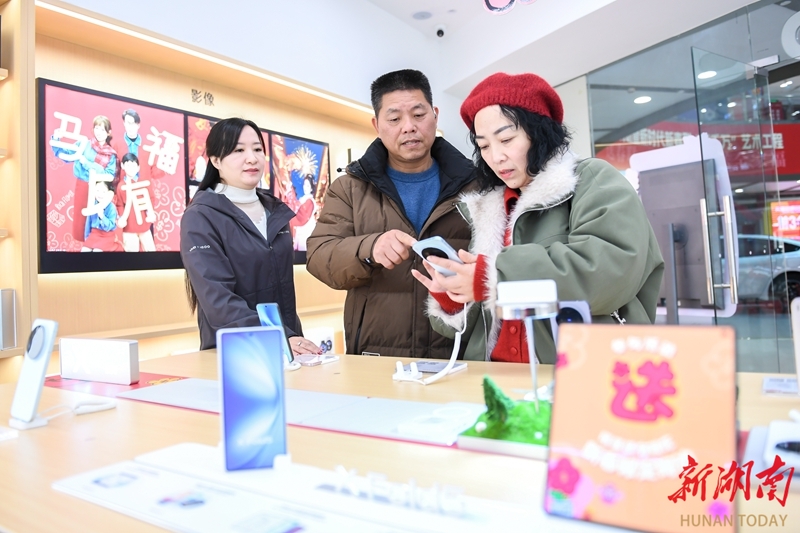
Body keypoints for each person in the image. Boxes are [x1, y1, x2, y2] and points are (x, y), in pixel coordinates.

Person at [412, 72, 664, 364]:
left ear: (540, 132)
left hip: (579, 372)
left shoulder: (591, 179)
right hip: (494, 377)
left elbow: (610, 271)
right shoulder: (490, 210)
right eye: (484, 146)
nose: (496, 156)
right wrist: (454, 297)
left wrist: (496, 276)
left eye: (506, 139)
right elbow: (483, 325)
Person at [306, 69, 477, 358]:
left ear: (435, 115)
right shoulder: (349, 188)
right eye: (395, 119)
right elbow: (319, 256)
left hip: (459, 352)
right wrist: (369, 248)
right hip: (377, 357)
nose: (409, 127)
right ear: (377, 124)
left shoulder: (476, 186)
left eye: (419, 115)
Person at [181, 118, 320, 353]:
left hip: (287, 346)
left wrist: (289, 337)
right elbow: (218, 301)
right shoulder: (201, 216)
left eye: (257, 149)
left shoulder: (276, 211)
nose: (252, 158)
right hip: (236, 351)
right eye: (238, 150)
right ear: (215, 160)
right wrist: (277, 336)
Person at [51, 115, 117, 242]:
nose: (99, 132)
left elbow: (109, 175)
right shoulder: (84, 144)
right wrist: (56, 138)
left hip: (100, 190)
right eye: (96, 128)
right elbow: (64, 154)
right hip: (82, 186)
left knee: (96, 221)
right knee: (81, 220)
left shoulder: (111, 154)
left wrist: (86, 162)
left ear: (109, 132)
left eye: (102, 129)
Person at [114, 153, 156, 252]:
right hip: (129, 227)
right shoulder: (121, 186)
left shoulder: (144, 183)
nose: (131, 168)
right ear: (122, 166)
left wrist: (150, 213)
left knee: (150, 251)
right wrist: (122, 218)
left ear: (138, 167)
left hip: (144, 225)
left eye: (133, 166)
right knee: (131, 253)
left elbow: (151, 198)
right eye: (128, 165)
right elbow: (119, 204)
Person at [81, 179, 124, 252]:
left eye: (103, 191)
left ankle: (115, 246)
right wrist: (87, 237)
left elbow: (110, 226)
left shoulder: (111, 207)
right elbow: (88, 222)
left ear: (109, 192)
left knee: (97, 251)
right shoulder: (93, 204)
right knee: (84, 250)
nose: (100, 194)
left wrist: (102, 216)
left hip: (106, 235)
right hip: (94, 234)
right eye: (97, 190)